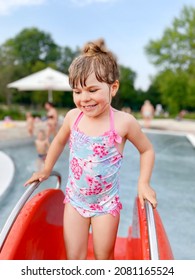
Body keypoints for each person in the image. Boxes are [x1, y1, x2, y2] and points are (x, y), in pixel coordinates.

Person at [24, 41, 157, 260]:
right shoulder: (72, 117)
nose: (84, 98)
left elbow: (147, 150)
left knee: (104, 258)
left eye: (93, 90)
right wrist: (46, 169)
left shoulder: (124, 122)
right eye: (77, 91)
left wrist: (143, 183)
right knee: (74, 257)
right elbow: (57, 141)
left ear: (113, 88)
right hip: (75, 201)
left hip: (106, 205)